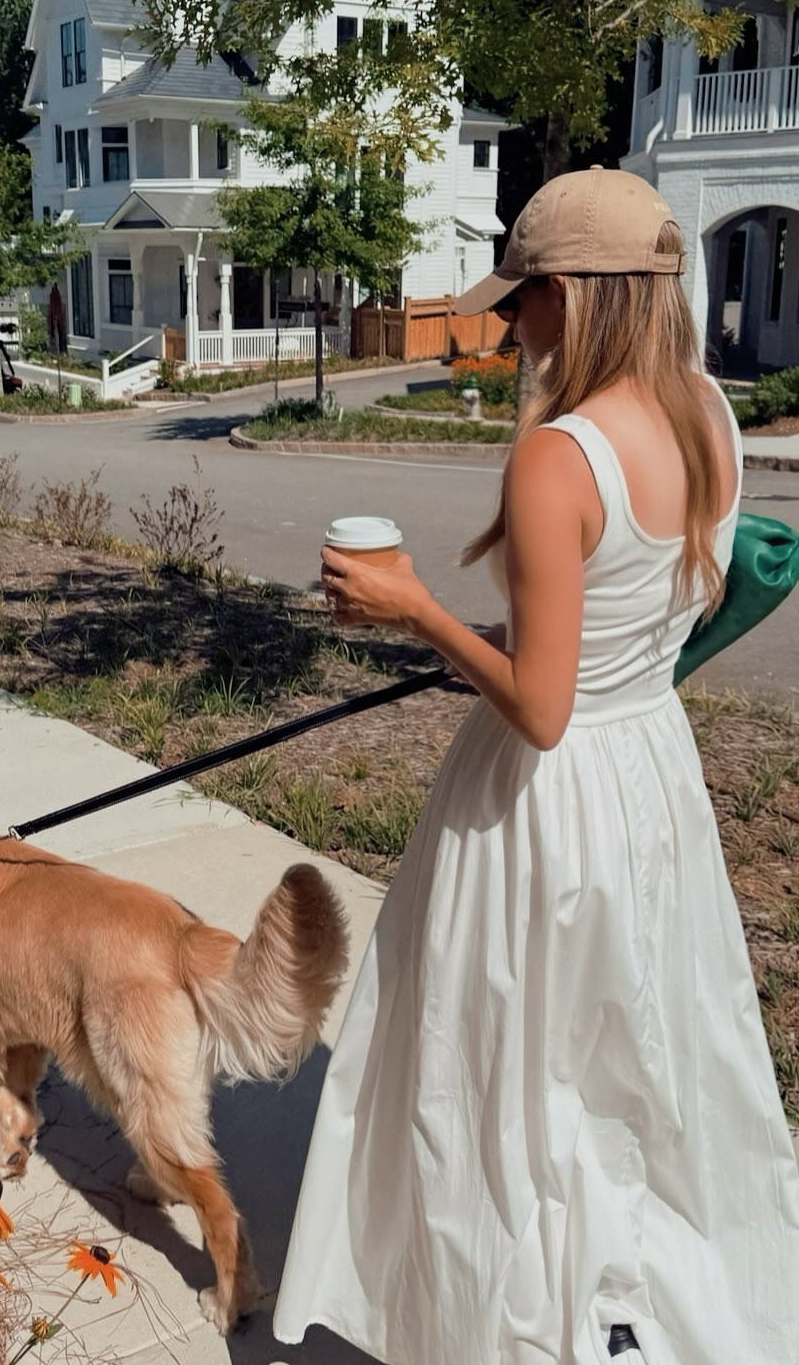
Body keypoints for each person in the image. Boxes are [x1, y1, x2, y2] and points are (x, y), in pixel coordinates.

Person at [273, 168, 799, 1365]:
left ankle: (513, 1325)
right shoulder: (709, 413)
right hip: (652, 781)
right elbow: (629, 624)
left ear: (570, 293)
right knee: (634, 1060)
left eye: (523, 300)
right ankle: (634, 1308)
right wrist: (514, 638)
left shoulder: (560, 457)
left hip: (543, 802)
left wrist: (416, 610)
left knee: (511, 1077)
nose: (513, 323)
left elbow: (542, 712)